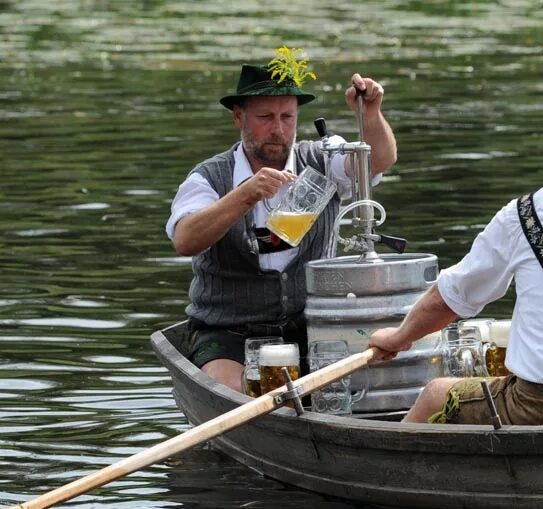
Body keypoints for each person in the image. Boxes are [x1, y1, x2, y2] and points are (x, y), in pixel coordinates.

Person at [167, 49, 397, 392]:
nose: (278, 129)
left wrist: (371, 115)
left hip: (312, 327)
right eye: (265, 117)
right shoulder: (209, 178)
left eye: (287, 117)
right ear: (239, 117)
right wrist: (245, 195)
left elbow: (379, 159)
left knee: (369, 390)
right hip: (230, 331)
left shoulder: (320, 160)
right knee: (227, 393)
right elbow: (185, 240)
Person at [369, 189, 543, 425]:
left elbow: (445, 301)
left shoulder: (528, 214)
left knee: (435, 396)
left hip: (534, 407)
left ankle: (386, 463)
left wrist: (398, 338)